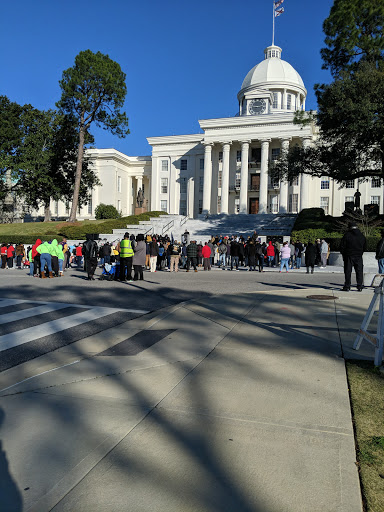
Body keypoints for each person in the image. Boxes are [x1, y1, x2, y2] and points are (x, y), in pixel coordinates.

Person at [340, 222, 367, 291]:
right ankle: (359, 286)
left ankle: (347, 286)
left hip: (349, 255)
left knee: (348, 271)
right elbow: (365, 247)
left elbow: (342, 246)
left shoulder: (347, 235)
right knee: (359, 271)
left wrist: (343, 254)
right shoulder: (361, 236)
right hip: (358, 255)